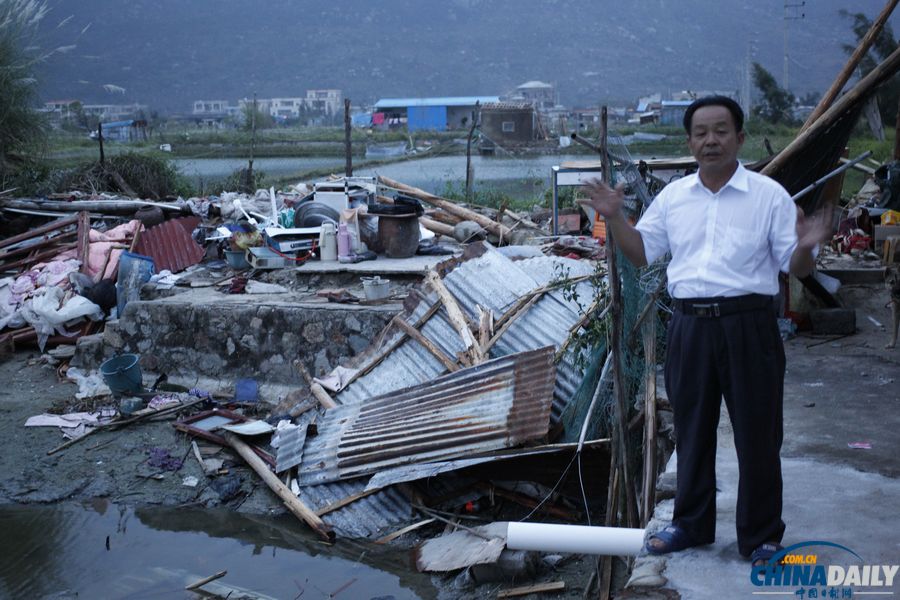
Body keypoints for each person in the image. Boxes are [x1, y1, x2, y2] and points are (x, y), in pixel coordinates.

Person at [578, 96, 829, 567]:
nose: (710, 140)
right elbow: (640, 253)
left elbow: (794, 266)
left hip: (750, 327)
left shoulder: (769, 196)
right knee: (692, 430)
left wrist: (807, 247)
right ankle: (691, 525)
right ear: (690, 141)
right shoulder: (674, 198)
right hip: (690, 328)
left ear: (739, 137)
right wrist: (615, 217)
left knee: (758, 434)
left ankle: (760, 538)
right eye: (700, 132)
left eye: (720, 130)